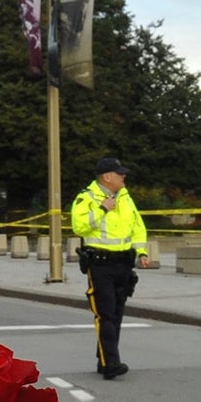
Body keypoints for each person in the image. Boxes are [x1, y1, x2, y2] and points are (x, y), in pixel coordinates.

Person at [69, 155, 150, 380]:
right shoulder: (86, 198)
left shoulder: (125, 198)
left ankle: (104, 359)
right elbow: (79, 227)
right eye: (119, 173)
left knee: (116, 315)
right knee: (105, 314)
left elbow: (137, 226)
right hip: (100, 265)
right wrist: (103, 209)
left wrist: (141, 252)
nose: (124, 177)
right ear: (107, 177)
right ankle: (111, 363)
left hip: (124, 264)